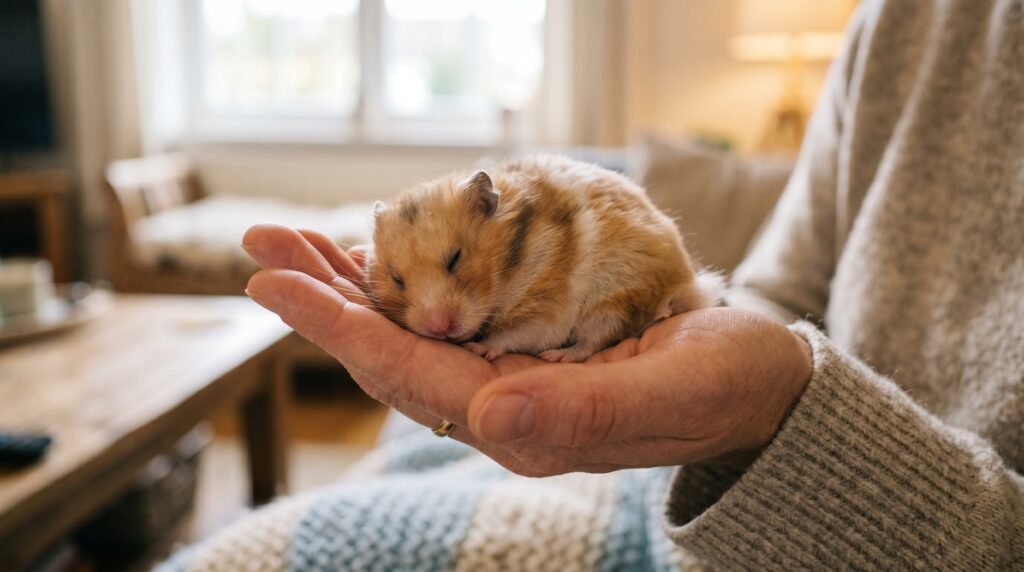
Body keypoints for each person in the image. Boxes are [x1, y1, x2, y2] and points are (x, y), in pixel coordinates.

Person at [163, 0, 1023, 569]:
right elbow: (779, 288)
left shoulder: (542, 242)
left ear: (495, 217)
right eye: (398, 281)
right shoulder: (897, 20)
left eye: (459, 269)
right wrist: (734, 381)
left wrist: (776, 413)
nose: (436, 310)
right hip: (702, 499)